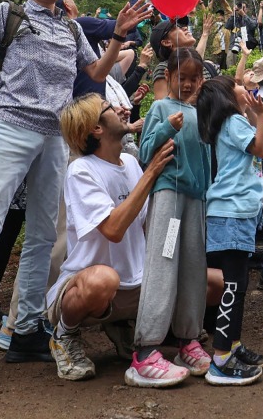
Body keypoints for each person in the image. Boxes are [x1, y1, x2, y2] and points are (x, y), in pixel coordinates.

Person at [0, 0, 151, 399]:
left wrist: (117, 35)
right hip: (13, 127)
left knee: (40, 237)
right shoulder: (7, 14)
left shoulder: (71, 27)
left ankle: (27, 332)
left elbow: (94, 73)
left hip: (55, 137)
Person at [44, 94, 177, 382]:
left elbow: (143, 225)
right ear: (97, 129)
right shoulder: (81, 170)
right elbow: (114, 230)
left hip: (138, 285)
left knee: (210, 283)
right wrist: (151, 172)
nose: (122, 108)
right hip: (94, 286)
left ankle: (125, 326)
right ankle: (64, 335)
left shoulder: (129, 162)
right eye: (109, 107)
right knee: (103, 279)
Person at [129, 48, 212, 387]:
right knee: (163, 262)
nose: (189, 83)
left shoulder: (202, 112)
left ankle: (187, 340)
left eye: (195, 78)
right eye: (183, 78)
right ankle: (146, 349)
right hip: (168, 194)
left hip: (196, 199)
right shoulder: (162, 108)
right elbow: (145, 153)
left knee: (194, 266)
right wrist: (165, 128)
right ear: (169, 78)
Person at [196, 76, 263, 386]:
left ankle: (233, 346)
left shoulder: (228, 123)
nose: (245, 86)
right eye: (238, 84)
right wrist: (262, 116)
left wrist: (255, 118)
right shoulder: (232, 121)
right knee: (234, 287)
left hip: (229, 213)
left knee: (234, 285)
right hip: (232, 212)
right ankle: (222, 360)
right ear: (226, 97)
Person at [149, 16, 220, 100]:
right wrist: (195, 96)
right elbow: (163, 109)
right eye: (176, 27)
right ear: (167, 42)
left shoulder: (210, 68)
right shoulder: (164, 68)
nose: (185, 28)